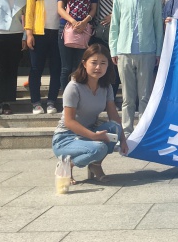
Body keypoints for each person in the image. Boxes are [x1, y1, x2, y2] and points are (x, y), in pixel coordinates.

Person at [52, 43, 127, 184]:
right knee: (99, 148)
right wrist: (93, 136)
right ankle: (67, 165)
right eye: (94, 63)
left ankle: (95, 165)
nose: (98, 67)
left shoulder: (106, 87)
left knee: (114, 128)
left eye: (103, 63)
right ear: (84, 64)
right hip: (66, 138)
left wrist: (123, 139)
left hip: (90, 131)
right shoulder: (74, 87)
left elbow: (114, 116)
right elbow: (69, 121)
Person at [109, 0, 164, 135]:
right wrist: (113, 49)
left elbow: (158, 26)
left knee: (145, 95)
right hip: (124, 51)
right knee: (127, 97)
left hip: (147, 51)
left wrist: (158, 51)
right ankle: (126, 131)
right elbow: (115, 25)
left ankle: (143, 131)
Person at [25, 0, 63, 115]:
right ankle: (36, 103)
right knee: (36, 69)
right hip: (39, 33)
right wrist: (29, 34)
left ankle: (52, 101)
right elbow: (29, 12)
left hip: (58, 33)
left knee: (56, 69)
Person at [58, 0, 98, 91]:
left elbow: (93, 9)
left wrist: (84, 22)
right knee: (66, 67)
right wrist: (74, 22)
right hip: (66, 27)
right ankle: (66, 96)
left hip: (85, 28)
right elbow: (60, 8)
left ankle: (79, 94)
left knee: (80, 65)